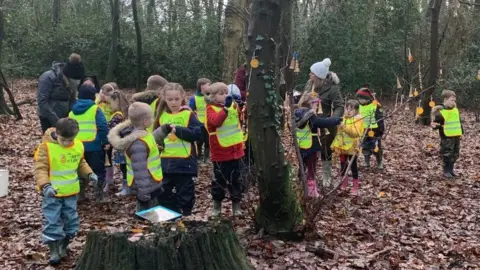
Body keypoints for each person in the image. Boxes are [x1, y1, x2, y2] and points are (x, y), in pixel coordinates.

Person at [34, 118, 97, 265]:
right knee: (52, 220)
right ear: (56, 133)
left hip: (71, 193)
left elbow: (81, 162)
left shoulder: (78, 146)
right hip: (52, 193)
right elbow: (40, 169)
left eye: (70, 140)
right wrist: (45, 186)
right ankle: (54, 250)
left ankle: (64, 245)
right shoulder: (46, 147)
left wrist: (89, 174)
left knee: (71, 221)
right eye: (64, 140)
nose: (67, 143)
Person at [152, 83, 203, 216]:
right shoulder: (161, 116)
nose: (173, 102)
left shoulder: (188, 115)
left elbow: (198, 134)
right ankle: (171, 215)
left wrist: (178, 130)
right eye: (170, 99)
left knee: (185, 193)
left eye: (176, 99)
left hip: (185, 163)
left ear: (182, 97)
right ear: (164, 99)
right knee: (163, 192)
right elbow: (154, 138)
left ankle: (185, 216)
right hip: (164, 163)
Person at [108, 102, 164, 212]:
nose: (153, 119)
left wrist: (164, 130)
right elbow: (140, 171)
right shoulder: (138, 144)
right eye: (151, 117)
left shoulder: (143, 134)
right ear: (145, 121)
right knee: (147, 213)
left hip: (151, 182)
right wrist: (144, 193)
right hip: (147, 185)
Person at [205, 82, 245, 217]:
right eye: (221, 94)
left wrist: (238, 107)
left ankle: (236, 206)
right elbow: (216, 122)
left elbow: (239, 120)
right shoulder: (210, 109)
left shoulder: (232, 106)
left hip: (236, 151)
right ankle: (217, 207)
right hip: (220, 153)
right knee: (219, 181)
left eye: (226, 93)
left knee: (236, 180)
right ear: (214, 97)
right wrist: (226, 109)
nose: (225, 95)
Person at [304, 58, 345, 188]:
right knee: (308, 150)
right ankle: (309, 176)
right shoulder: (309, 84)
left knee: (325, 151)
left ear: (319, 76)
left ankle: (327, 176)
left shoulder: (332, 88)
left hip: (325, 125)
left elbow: (339, 105)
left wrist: (333, 119)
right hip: (309, 123)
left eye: (312, 73)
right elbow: (303, 100)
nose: (309, 75)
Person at [295, 92, 342, 197]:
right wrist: (337, 120)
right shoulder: (310, 115)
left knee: (303, 167)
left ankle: (302, 187)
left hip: (301, 146)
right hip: (312, 145)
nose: (317, 106)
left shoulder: (297, 113)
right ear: (311, 103)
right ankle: (312, 192)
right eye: (317, 103)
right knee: (311, 168)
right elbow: (323, 123)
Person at [68, 85, 109, 202]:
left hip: (77, 147)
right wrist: (105, 141)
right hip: (94, 146)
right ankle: (99, 195)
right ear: (93, 96)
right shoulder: (95, 109)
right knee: (98, 170)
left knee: (80, 171)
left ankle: (80, 194)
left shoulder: (72, 112)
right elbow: (102, 126)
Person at [36, 53, 85, 132]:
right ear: (66, 75)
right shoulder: (48, 77)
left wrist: (71, 115)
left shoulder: (74, 81)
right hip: (47, 116)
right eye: (72, 80)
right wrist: (56, 121)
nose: (75, 83)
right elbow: (42, 101)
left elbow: (72, 99)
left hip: (64, 116)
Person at [331, 100, 364, 196]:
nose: (348, 111)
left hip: (353, 148)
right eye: (347, 108)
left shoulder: (358, 120)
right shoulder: (343, 119)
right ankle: (344, 183)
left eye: (351, 109)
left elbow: (355, 133)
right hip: (342, 147)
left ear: (356, 111)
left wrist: (344, 127)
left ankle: (355, 186)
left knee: (353, 165)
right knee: (343, 165)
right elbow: (339, 133)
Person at [432, 90, 463, 179]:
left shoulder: (455, 110)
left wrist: (462, 132)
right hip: (447, 137)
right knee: (447, 153)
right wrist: (435, 126)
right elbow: (436, 124)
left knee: (455, 153)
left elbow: (459, 122)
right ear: (445, 99)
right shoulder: (441, 111)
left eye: (454, 101)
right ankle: (446, 170)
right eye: (451, 100)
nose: (453, 102)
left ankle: (451, 170)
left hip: (456, 136)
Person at [103, 90, 129, 195]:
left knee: (124, 167)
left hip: (122, 145)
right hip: (125, 144)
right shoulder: (125, 113)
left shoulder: (117, 116)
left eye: (111, 103)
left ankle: (126, 188)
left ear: (116, 101)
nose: (110, 106)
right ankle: (125, 186)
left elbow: (112, 130)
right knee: (125, 166)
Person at [356, 87, 385, 169]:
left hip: (374, 130)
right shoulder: (359, 107)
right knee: (365, 147)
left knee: (376, 147)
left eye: (361, 99)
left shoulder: (375, 106)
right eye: (358, 99)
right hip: (363, 131)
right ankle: (366, 162)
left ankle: (379, 162)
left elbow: (380, 119)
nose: (359, 100)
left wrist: (380, 131)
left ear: (367, 98)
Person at [188, 78, 211, 162]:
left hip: (209, 123)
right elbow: (190, 110)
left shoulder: (209, 97)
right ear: (202, 87)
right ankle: (198, 157)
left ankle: (207, 157)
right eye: (208, 85)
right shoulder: (194, 98)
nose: (210, 87)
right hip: (199, 124)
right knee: (199, 141)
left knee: (208, 140)